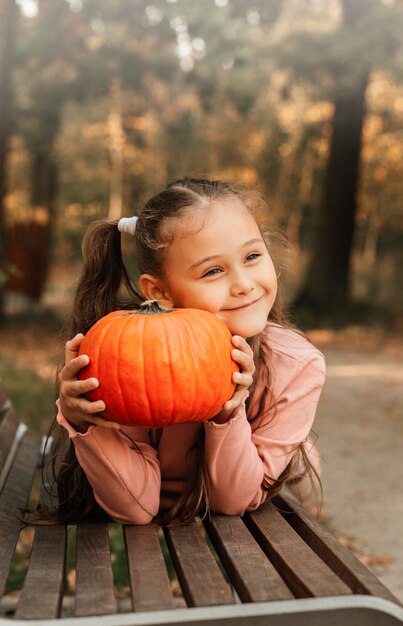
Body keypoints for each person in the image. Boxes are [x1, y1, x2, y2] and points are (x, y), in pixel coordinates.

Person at [48, 178, 326, 527]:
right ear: (159, 291)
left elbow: (232, 502)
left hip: (241, 490)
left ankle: (300, 462)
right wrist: (87, 422)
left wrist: (227, 412)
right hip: (163, 502)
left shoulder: (296, 365)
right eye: (213, 271)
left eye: (252, 256)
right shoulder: (131, 357)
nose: (244, 284)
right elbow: (136, 507)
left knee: (297, 465)